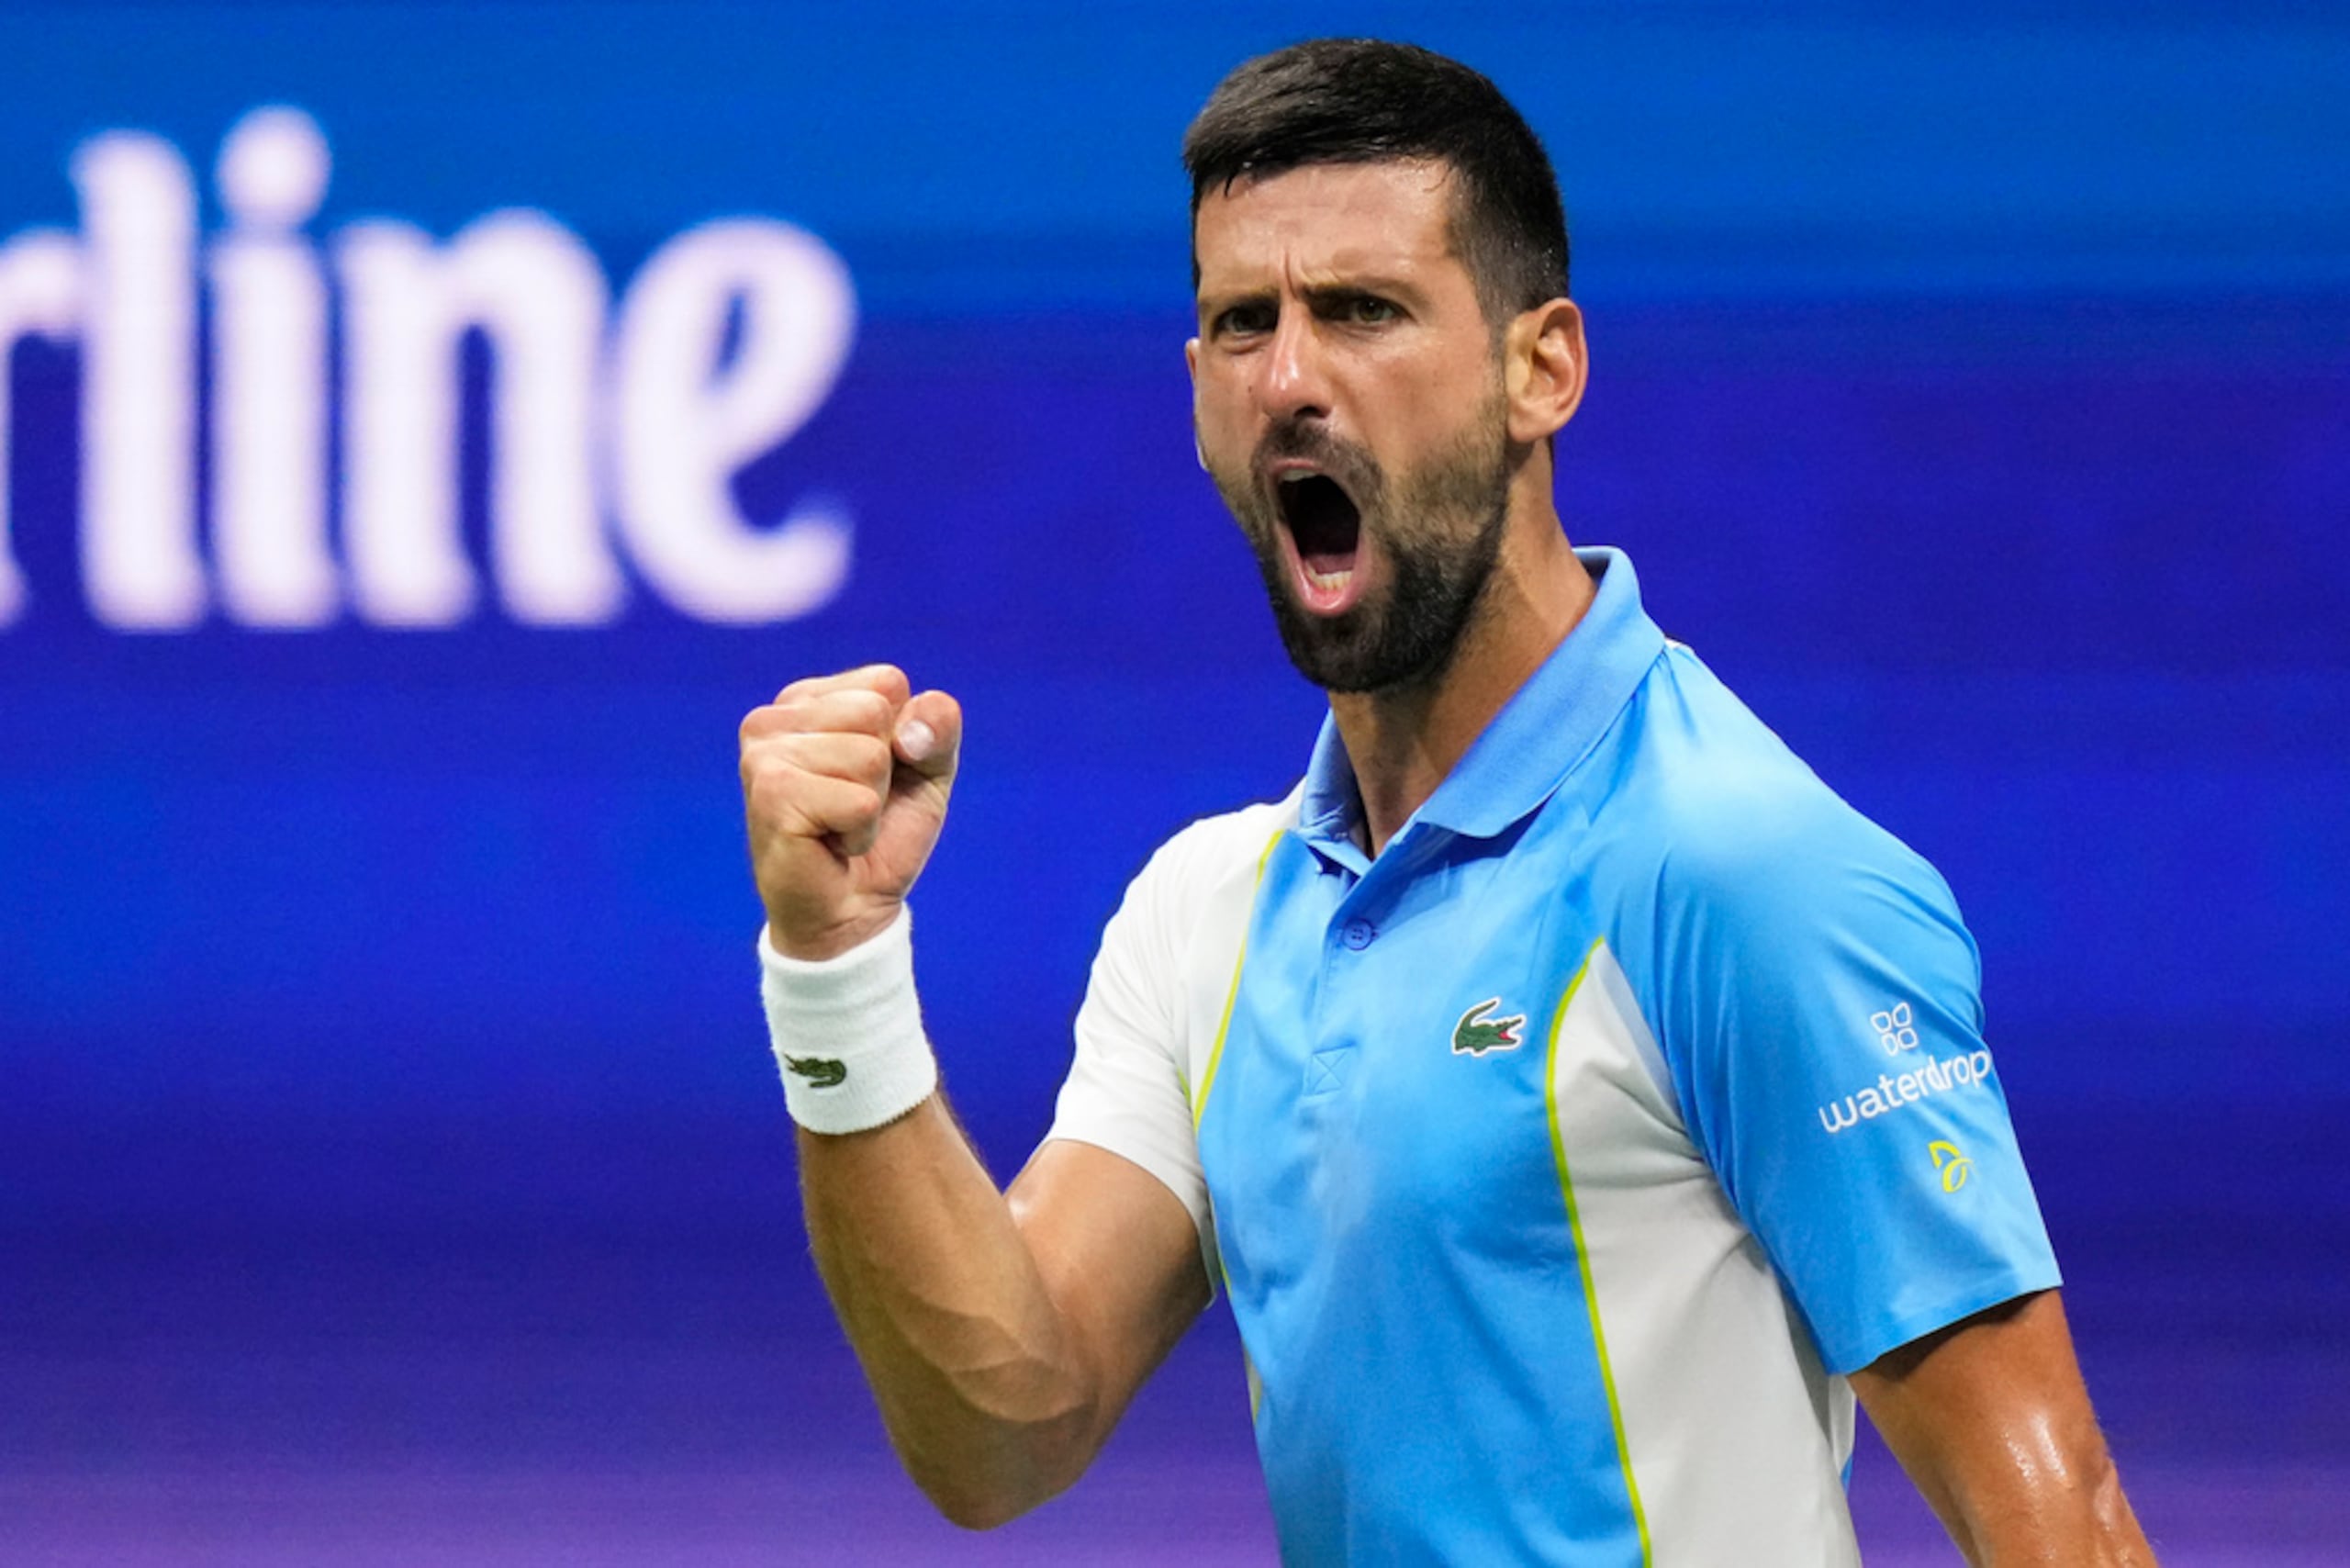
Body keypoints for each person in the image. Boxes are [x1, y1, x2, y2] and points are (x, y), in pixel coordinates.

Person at [737, 38, 2156, 1565]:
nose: (1290, 378)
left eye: (1363, 311)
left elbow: (2057, 1518)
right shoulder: (1204, 914)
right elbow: (1003, 1427)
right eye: (1239, 325)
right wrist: (839, 970)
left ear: (1540, 368)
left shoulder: (1742, 871)